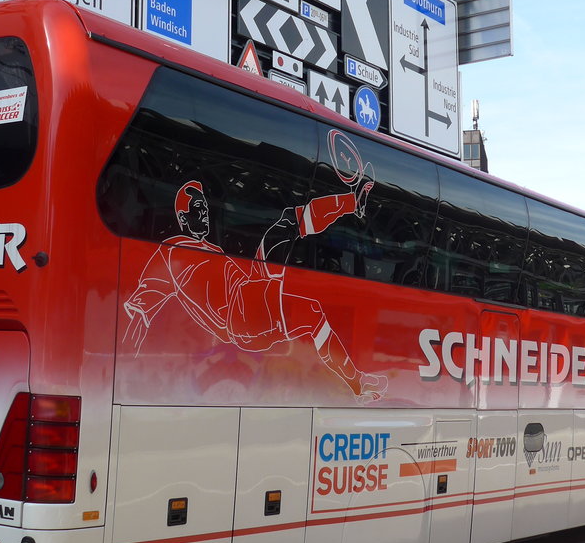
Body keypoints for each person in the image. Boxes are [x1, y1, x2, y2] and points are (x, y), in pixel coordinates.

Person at [123, 151, 387, 403]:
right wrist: (126, 363)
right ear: (182, 217)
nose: (204, 213)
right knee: (307, 303)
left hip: (248, 294)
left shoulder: (213, 250)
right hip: (240, 314)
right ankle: (358, 383)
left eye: (204, 207)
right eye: (197, 208)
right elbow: (142, 307)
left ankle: (353, 203)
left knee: (288, 226)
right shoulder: (170, 252)